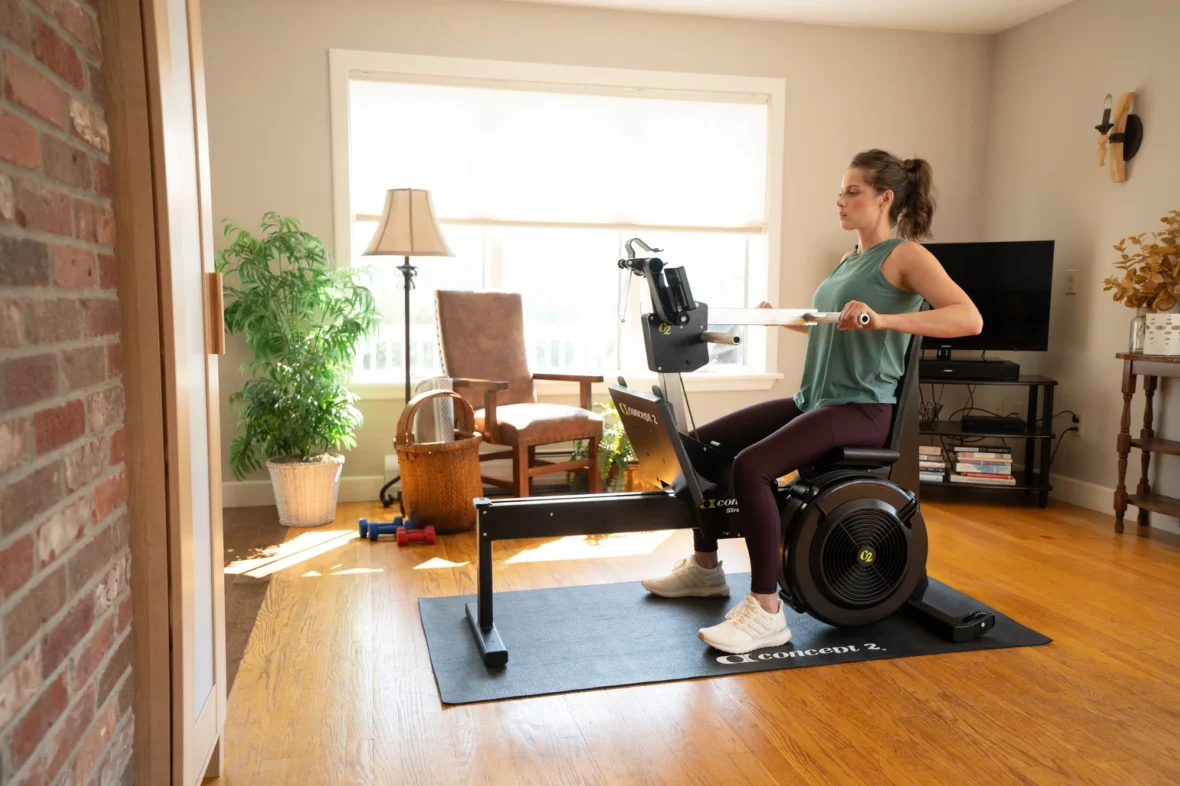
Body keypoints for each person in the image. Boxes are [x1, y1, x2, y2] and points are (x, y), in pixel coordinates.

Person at [641, 149, 984, 655]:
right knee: (698, 446)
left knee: (752, 466)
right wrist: (783, 319)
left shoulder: (906, 255)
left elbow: (968, 318)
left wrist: (884, 319)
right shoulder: (851, 259)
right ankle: (705, 570)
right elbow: (835, 334)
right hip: (815, 401)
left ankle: (766, 611)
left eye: (853, 191)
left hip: (863, 409)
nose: (840, 200)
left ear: (885, 198)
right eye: (841, 190)